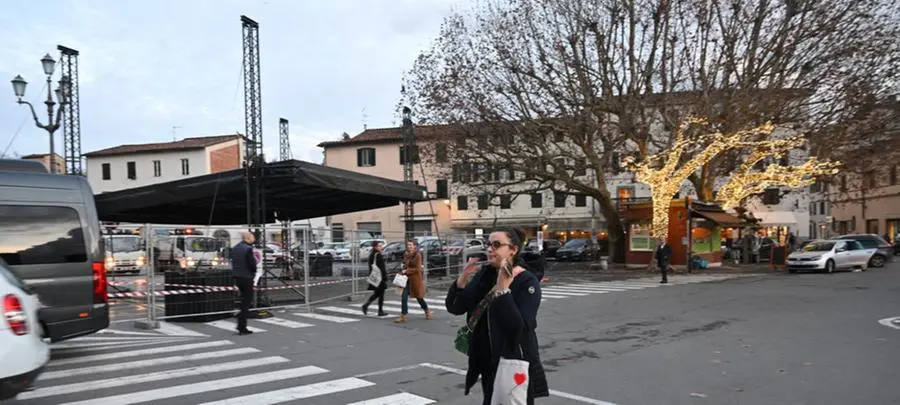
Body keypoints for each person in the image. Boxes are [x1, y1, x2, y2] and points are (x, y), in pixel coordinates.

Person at [445, 228, 549, 405]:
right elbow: (455, 307)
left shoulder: (526, 281)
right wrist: (462, 280)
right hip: (486, 358)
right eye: (488, 244)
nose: (490, 249)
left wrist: (503, 291)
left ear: (513, 250)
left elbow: (520, 327)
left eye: (496, 245)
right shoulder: (484, 275)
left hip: (513, 360)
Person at [395, 240, 433, 323]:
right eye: (408, 245)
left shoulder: (417, 255)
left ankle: (427, 311)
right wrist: (402, 267)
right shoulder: (406, 254)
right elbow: (405, 264)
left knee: (419, 297)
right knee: (404, 297)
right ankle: (403, 316)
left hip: (415, 279)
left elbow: (417, 269)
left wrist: (407, 270)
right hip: (406, 280)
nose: (409, 246)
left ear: (415, 246)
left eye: (411, 245)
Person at [230, 231, 257, 335]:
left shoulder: (236, 247)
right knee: (246, 302)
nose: (254, 238)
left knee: (243, 299)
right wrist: (254, 271)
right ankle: (241, 326)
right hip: (247, 276)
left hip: (237, 277)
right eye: (253, 236)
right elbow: (252, 264)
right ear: (248, 237)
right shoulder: (248, 249)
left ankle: (241, 325)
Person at [362, 241, 389, 317]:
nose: (381, 247)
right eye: (379, 246)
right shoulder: (378, 255)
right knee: (380, 294)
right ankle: (378, 310)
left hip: (374, 277)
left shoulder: (372, 254)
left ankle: (368, 306)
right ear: (375, 247)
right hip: (379, 277)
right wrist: (385, 277)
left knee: (378, 293)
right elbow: (381, 268)